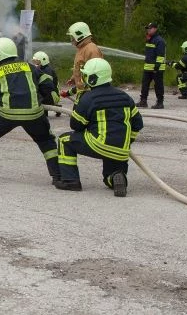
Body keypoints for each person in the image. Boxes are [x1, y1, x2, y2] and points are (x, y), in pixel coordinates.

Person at [0, 37, 61, 185]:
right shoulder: (30, 67)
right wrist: (46, 98)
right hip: (34, 114)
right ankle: (58, 176)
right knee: (46, 141)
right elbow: (47, 85)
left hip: (6, 115)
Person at [54, 58, 144, 196]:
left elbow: (76, 125)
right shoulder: (125, 97)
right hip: (120, 150)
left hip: (98, 144)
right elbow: (138, 124)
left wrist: (79, 104)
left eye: (85, 75)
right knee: (110, 175)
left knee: (64, 140)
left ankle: (71, 181)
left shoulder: (89, 98)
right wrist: (127, 142)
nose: (83, 78)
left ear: (92, 79)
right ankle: (116, 177)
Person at [62, 22, 104, 98]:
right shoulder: (82, 49)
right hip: (83, 91)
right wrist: (74, 78)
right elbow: (81, 67)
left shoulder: (91, 49)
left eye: (72, 37)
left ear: (79, 36)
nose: (71, 39)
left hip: (89, 93)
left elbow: (95, 72)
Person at [138, 22, 166, 109]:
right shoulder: (149, 39)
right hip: (147, 67)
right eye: (148, 28)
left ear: (155, 29)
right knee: (144, 84)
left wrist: (156, 67)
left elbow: (160, 56)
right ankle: (143, 101)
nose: (148, 30)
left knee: (158, 85)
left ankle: (160, 103)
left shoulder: (159, 41)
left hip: (157, 68)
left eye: (150, 28)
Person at [31, 51, 61, 116]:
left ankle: (45, 111)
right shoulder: (43, 69)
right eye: (34, 61)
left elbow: (46, 89)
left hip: (52, 96)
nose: (35, 64)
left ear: (43, 61)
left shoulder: (47, 71)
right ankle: (55, 108)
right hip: (52, 94)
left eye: (37, 62)